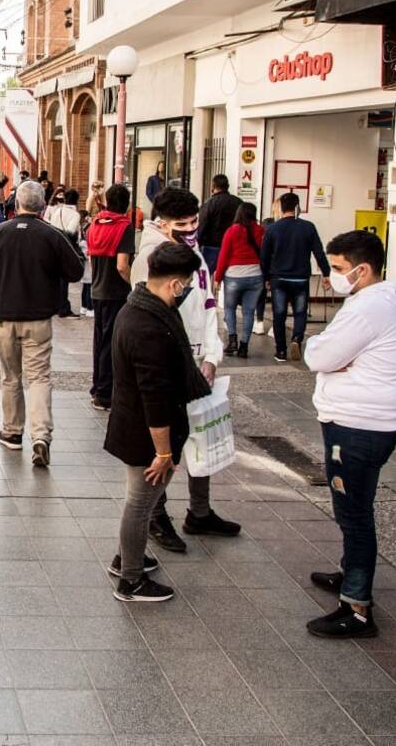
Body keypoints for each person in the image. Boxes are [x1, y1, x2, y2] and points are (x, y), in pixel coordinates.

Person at [303, 231, 396, 638]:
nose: (331, 277)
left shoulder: (369, 309)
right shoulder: (382, 301)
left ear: (363, 269)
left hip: (357, 427)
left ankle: (356, 608)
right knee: (355, 507)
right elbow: (331, 357)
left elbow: (318, 355)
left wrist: (329, 355)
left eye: (337, 269)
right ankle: (349, 573)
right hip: (369, 422)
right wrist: (336, 359)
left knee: (354, 515)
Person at [132, 188, 240, 552]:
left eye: (195, 221)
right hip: (170, 362)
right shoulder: (151, 255)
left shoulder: (192, 254)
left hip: (197, 359)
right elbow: (151, 318)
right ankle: (156, 515)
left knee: (202, 436)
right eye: (183, 224)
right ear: (162, 223)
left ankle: (200, 510)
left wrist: (212, 356)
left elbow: (208, 306)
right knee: (166, 444)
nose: (192, 228)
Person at [105, 242, 210, 602]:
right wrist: (163, 452)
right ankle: (130, 579)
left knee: (139, 501)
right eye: (187, 284)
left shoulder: (137, 305)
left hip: (131, 424)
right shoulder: (148, 326)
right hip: (143, 433)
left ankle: (127, 559)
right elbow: (155, 396)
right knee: (141, 504)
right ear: (176, 285)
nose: (188, 291)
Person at [0, 181, 84, 467]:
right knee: (40, 377)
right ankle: (41, 435)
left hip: (5, 316)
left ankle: (12, 431)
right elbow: (76, 270)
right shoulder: (53, 236)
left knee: (10, 376)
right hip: (39, 318)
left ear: (16, 203)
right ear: (42, 205)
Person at [260, 192, 330, 362]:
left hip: (279, 278)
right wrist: (326, 273)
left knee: (279, 314)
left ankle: (281, 351)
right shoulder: (308, 227)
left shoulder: (272, 229)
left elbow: (264, 256)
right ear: (297, 207)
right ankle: (296, 340)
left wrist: (266, 277)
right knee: (300, 313)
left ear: (281, 208)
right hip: (300, 278)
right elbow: (319, 252)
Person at [87, 184, 137, 411]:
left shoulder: (96, 223)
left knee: (100, 342)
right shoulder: (124, 227)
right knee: (112, 343)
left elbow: (90, 258)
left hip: (97, 290)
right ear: (126, 203)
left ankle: (97, 387)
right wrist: (134, 285)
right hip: (117, 292)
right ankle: (105, 395)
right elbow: (122, 265)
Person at [214, 202, 265, 359]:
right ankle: (244, 347)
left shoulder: (232, 231)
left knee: (229, 309)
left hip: (234, 276)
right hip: (256, 275)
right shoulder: (261, 231)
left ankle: (232, 342)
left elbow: (223, 256)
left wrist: (218, 278)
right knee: (249, 312)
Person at [44, 188, 83, 318]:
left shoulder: (57, 211)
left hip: (53, 247)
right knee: (64, 280)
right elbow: (71, 233)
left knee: (56, 279)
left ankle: (55, 304)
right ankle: (63, 307)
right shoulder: (75, 215)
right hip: (66, 249)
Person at [196, 174, 242, 275]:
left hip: (212, 245)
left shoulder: (209, 204)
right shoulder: (238, 202)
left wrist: (198, 242)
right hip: (233, 246)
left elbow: (202, 225)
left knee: (206, 275)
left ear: (213, 187)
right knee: (230, 275)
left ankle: (209, 291)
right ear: (227, 186)